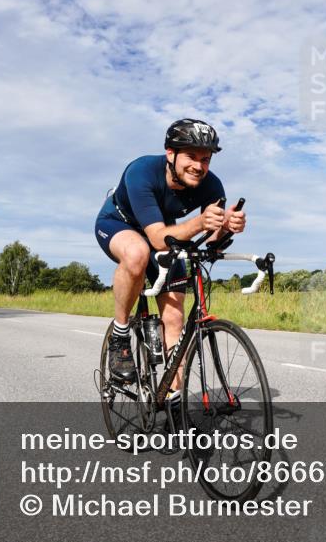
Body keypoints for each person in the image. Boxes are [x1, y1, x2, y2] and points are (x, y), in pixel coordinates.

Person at [94, 119, 246, 390]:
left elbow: (207, 244)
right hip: (120, 224)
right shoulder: (141, 171)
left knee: (175, 319)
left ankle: (174, 406)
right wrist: (199, 223)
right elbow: (155, 239)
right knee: (138, 252)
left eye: (205, 159)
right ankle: (120, 334)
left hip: (168, 237)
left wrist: (225, 229)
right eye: (191, 156)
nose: (198, 166)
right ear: (170, 154)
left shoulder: (211, 186)